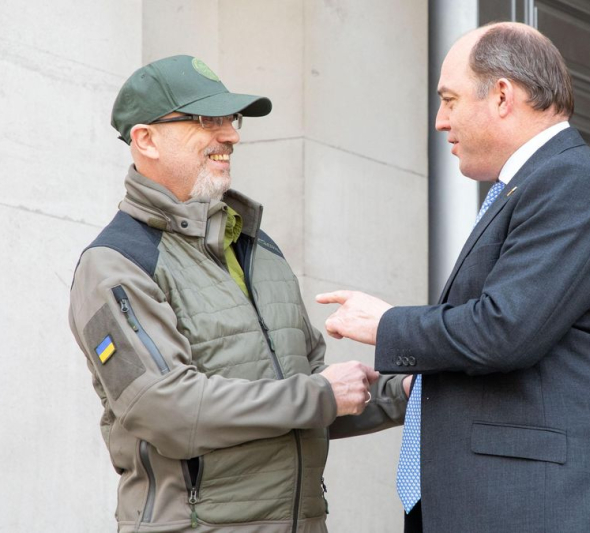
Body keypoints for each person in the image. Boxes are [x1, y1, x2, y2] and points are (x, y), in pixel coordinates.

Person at [316, 22, 590, 533]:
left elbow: (505, 330)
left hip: (550, 507)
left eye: (449, 100)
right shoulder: (531, 186)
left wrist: (388, 323)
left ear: (503, 95)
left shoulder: (573, 181)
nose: (439, 120)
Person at [68, 55, 409, 533]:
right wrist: (320, 393)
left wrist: (402, 393)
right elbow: (166, 409)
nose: (231, 135)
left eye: (231, 119)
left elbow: (308, 391)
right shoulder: (116, 263)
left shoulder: (256, 247)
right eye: (207, 120)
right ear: (145, 140)